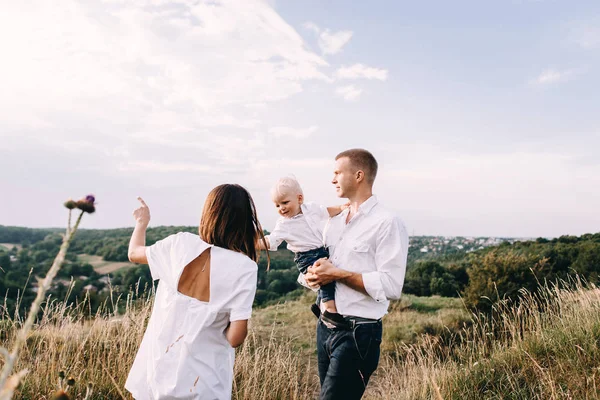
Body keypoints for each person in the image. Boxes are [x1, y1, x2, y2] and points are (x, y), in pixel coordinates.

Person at [124, 184, 267, 400]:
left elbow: (134, 253)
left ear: (208, 214)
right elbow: (236, 337)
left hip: (158, 376)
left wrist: (141, 223)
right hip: (205, 384)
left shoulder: (179, 244)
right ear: (245, 221)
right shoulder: (245, 267)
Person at [304, 149, 408, 400]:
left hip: (357, 333)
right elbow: (321, 266)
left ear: (359, 175)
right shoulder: (335, 220)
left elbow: (391, 285)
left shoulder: (387, 222)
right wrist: (311, 277)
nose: (332, 179)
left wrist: (337, 274)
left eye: (338, 172)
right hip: (325, 326)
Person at [258, 176, 348, 328]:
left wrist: (340, 208)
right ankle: (330, 311)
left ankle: (319, 306)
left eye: (285, 202)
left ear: (299, 198)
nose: (281, 208)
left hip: (321, 250)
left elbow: (325, 212)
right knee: (325, 278)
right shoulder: (283, 225)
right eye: (277, 205)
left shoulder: (311, 209)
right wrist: (253, 244)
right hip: (305, 257)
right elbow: (271, 241)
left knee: (327, 275)